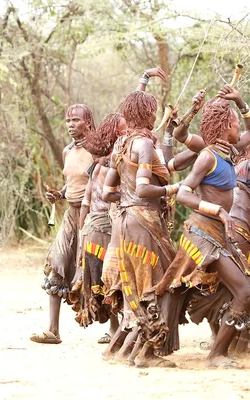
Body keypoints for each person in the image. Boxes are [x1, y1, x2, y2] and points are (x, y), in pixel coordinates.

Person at [157, 84, 250, 369]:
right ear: (226, 126)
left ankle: (223, 349)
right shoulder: (208, 155)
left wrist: (240, 101)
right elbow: (185, 192)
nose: (241, 129)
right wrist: (217, 209)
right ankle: (216, 355)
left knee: (244, 288)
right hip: (203, 234)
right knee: (246, 291)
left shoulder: (230, 151)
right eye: (235, 122)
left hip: (218, 234)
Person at [101, 88, 182, 368]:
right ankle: (147, 355)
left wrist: (126, 200)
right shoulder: (143, 146)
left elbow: (106, 191)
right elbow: (144, 188)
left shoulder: (120, 145)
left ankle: (125, 351)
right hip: (142, 223)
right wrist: (176, 188)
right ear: (148, 113)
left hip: (124, 223)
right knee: (159, 285)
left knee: (137, 286)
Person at [30, 104, 95, 345]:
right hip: (71, 214)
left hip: (92, 216)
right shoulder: (68, 151)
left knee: (95, 266)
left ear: (88, 122)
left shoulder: (96, 150)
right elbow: (72, 183)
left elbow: (99, 182)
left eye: (76, 120)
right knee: (57, 263)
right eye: (67, 121)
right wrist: (59, 194)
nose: (70, 125)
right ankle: (53, 330)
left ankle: (114, 328)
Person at [71, 112, 127, 344]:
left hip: (92, 227)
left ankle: (115, 330)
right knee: (114, 278)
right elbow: (103, 197)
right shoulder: (112, 164)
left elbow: (86, 201)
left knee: (105, 279)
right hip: (105, 227)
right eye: (122, 130)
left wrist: (83, 231)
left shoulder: (97, 165)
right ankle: (117, 330)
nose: (126, 132)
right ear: (115, 136)